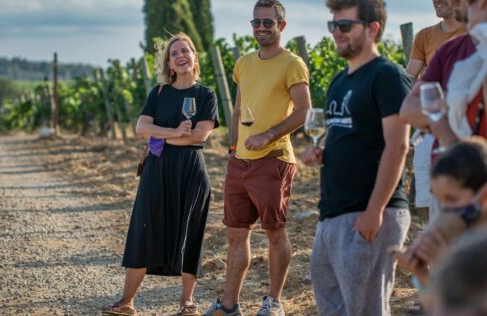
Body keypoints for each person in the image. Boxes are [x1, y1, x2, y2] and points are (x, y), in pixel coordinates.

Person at [300, 0, 412, 315]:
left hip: (370, 213)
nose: (336, 32)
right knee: (332, 308)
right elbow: (346, 137)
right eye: (332, 25)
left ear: (373, 28)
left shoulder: (387, 75)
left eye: (344, 26)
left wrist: (374, 212)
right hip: (332, 215)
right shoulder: (339, 81)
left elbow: (398, 146)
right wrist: (321, 152)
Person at [204, 1, 311, 315]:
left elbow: (304, 112)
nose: (261, 28)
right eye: (256, 23)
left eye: (268, 22)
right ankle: (228, 304)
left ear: (282, 26)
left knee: (274, 231)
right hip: (241, 161)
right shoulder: (244, 63)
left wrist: (268, 135)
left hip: (274, 159)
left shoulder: (292, 63)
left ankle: (274, 302)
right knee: (236, 234)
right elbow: (238, 109)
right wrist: (234, 150)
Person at [102, 32, 219, 316]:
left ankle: (187, 303)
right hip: (157, 170)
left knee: (189, 233)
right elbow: (142, 128)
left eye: (185, 51)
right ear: (168, 62)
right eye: (174, 53)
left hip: (190, 171)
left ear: (194, 57)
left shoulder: (206, 95)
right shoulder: (159, 93)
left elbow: (198, 137)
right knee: (145, 228)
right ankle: (127, 301)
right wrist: (174, 133)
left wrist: (161, 138)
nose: (180, 56)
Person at [400, 0, 477, 222]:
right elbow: (410, 80)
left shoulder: (476, 35)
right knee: (431, 190)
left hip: (469, 125)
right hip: (434, 124)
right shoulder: (425, 37)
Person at [394, 138, 487, 311]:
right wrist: (422, 273)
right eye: (440, 200)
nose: (445, 209)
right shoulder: (460, 239)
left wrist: (448, 263)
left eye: (452, 199)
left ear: (483, 195)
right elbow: (441, 305)